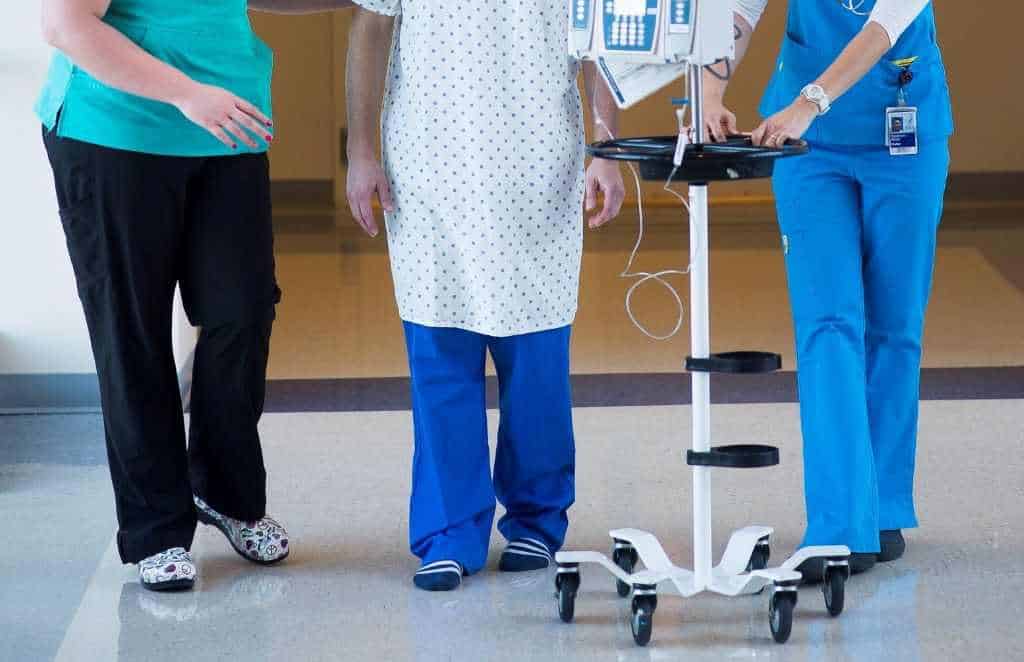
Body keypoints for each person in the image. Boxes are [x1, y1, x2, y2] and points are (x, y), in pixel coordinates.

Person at [37, 0, 354, 591]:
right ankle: (156, 528)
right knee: (134, 331)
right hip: (115, 129)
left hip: (225, 124)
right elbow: (64, 23)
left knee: (244, 310)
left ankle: (225, 492)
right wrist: (186, 93)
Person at [346, 1, 625, 591]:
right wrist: (361, 151)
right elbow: (370, 28)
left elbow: (595, 40)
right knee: (439, 352)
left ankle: (535, 519)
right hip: (429, 165)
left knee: (537, 362)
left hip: (539, 163)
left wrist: (606, 147)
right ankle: (449, 532)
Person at [703, 0, 952, 580]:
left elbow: (881, 28)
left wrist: (808, 104)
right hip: (807, 150)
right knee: (828, 324)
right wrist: (711, 91)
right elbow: (737, 14)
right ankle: (840, 525)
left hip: (902, 137)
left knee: (894, 328)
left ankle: (883, 504)